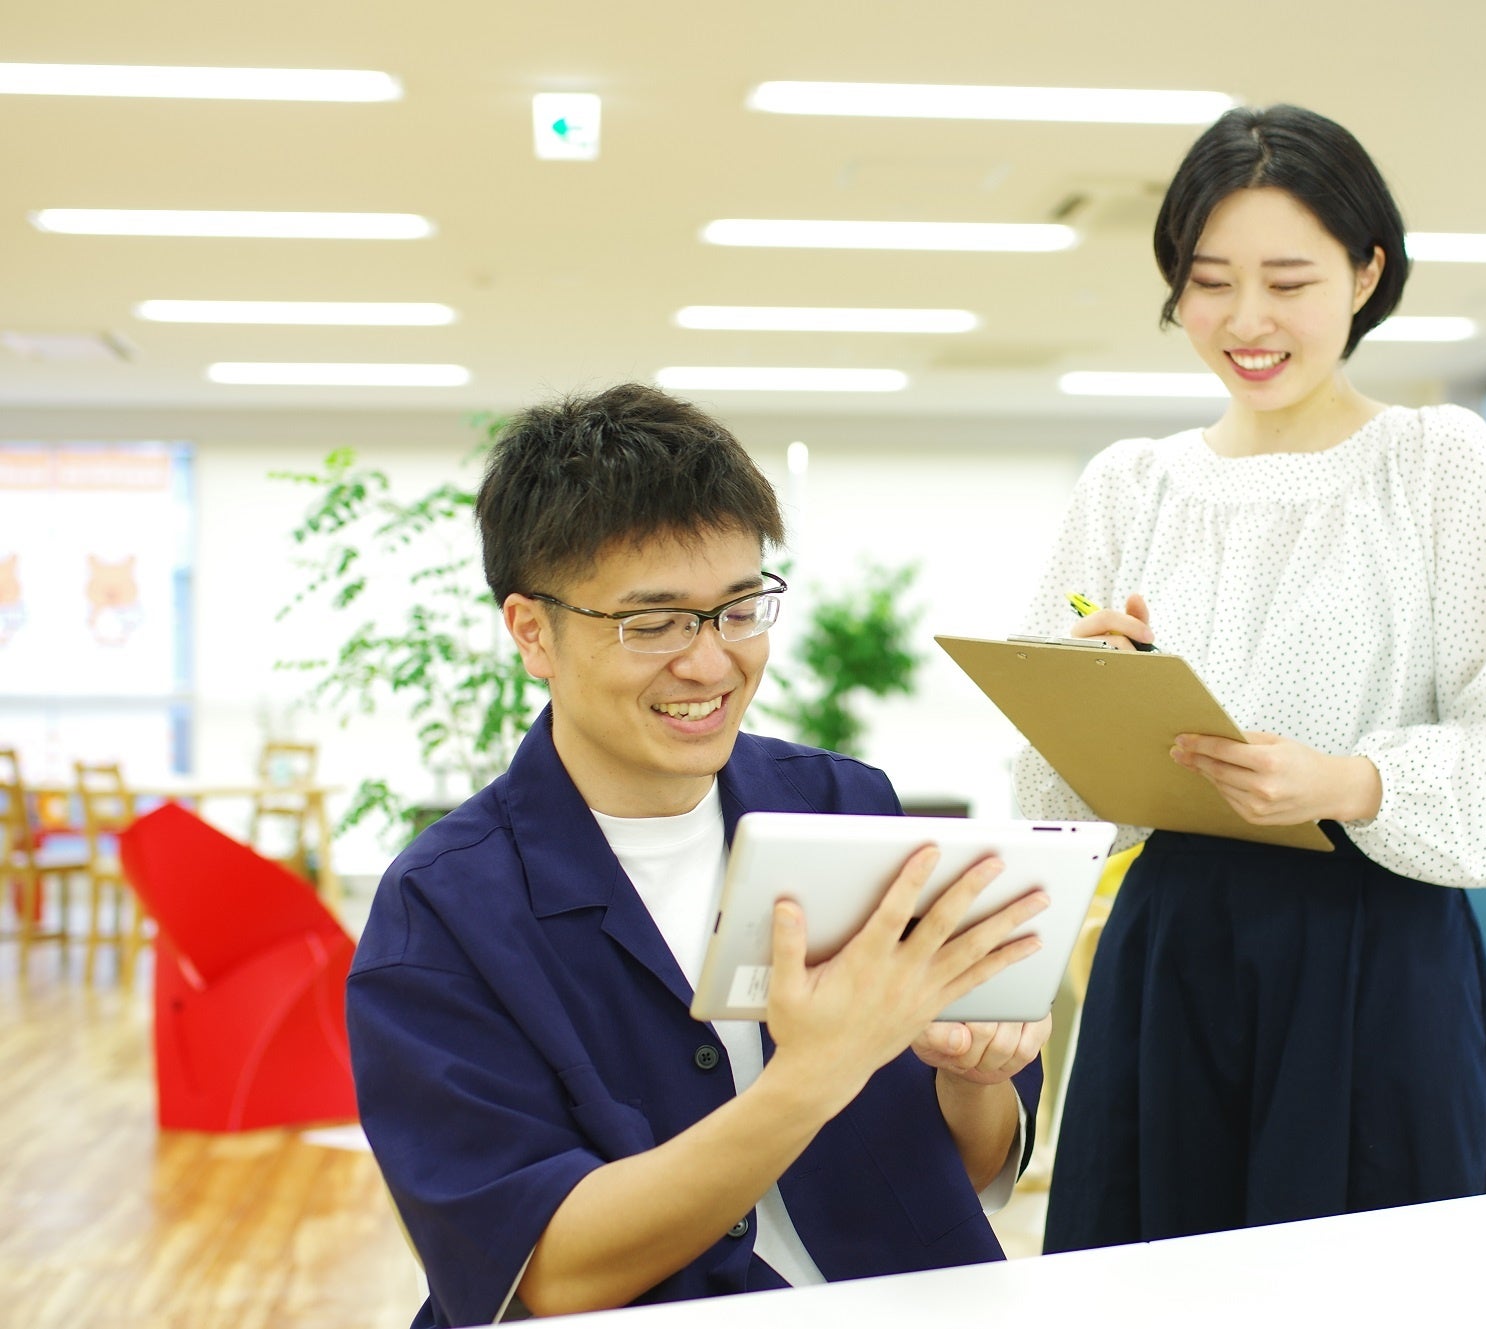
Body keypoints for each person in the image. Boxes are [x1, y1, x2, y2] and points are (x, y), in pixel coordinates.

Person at [348, 383, 1051, 1326]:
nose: (713, 663)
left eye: (739, 609)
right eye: (654, 623)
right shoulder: (443, 910)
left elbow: (956, 1170)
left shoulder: (849, 809)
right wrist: (810, 1078)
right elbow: (546, 1271)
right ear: (531, 632)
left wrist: (976, 1077)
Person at [1016, 105, 1486, 1251]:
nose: (1245, 321)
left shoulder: (1434, 463)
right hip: (1173, 948)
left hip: (1373, 945)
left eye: (1288, 281)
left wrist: (1347, 782)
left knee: (1370, 1275)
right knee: (1152, 1279)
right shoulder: (1128, 486)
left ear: (1366, 273)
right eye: (1208, 281)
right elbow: (1046, 799)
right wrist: (1091, 696)